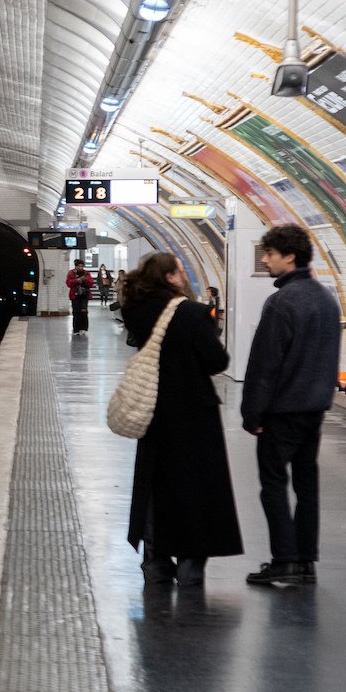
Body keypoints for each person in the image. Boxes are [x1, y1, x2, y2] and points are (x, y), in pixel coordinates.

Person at [120, 251, 242, 586]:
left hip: (154, 411)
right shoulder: (193, 313)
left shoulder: (136, 311)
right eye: (180, 271)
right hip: (193, 413)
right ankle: (190, 565)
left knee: (156, 485)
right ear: (172, 276)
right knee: (195, 488)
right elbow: (216, 362)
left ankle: (155, 563)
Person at [241, 225, 341, 587]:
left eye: (269, 254)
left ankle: (284, 560)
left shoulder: (282, 302)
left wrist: (252, 414)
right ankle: (305, 562)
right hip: (314, 409)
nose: (265, 259)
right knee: (306, 484)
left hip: (281, 412)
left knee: (273, 483)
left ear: (290, 256)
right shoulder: (328, 299)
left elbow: (265, 365)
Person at [65, 259, 91, 336]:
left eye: (82, 266)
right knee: (76, 312)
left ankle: (84, 328)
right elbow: (68, 283)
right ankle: (76, 329)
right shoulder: (71, 273)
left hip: (84, 295)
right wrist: (77, 280)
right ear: (76, 266)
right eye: (79, 266)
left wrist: (85, 280)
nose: (81, 267)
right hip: (75, 295)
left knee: (84, 312)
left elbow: (91, 283)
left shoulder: (86, 273)